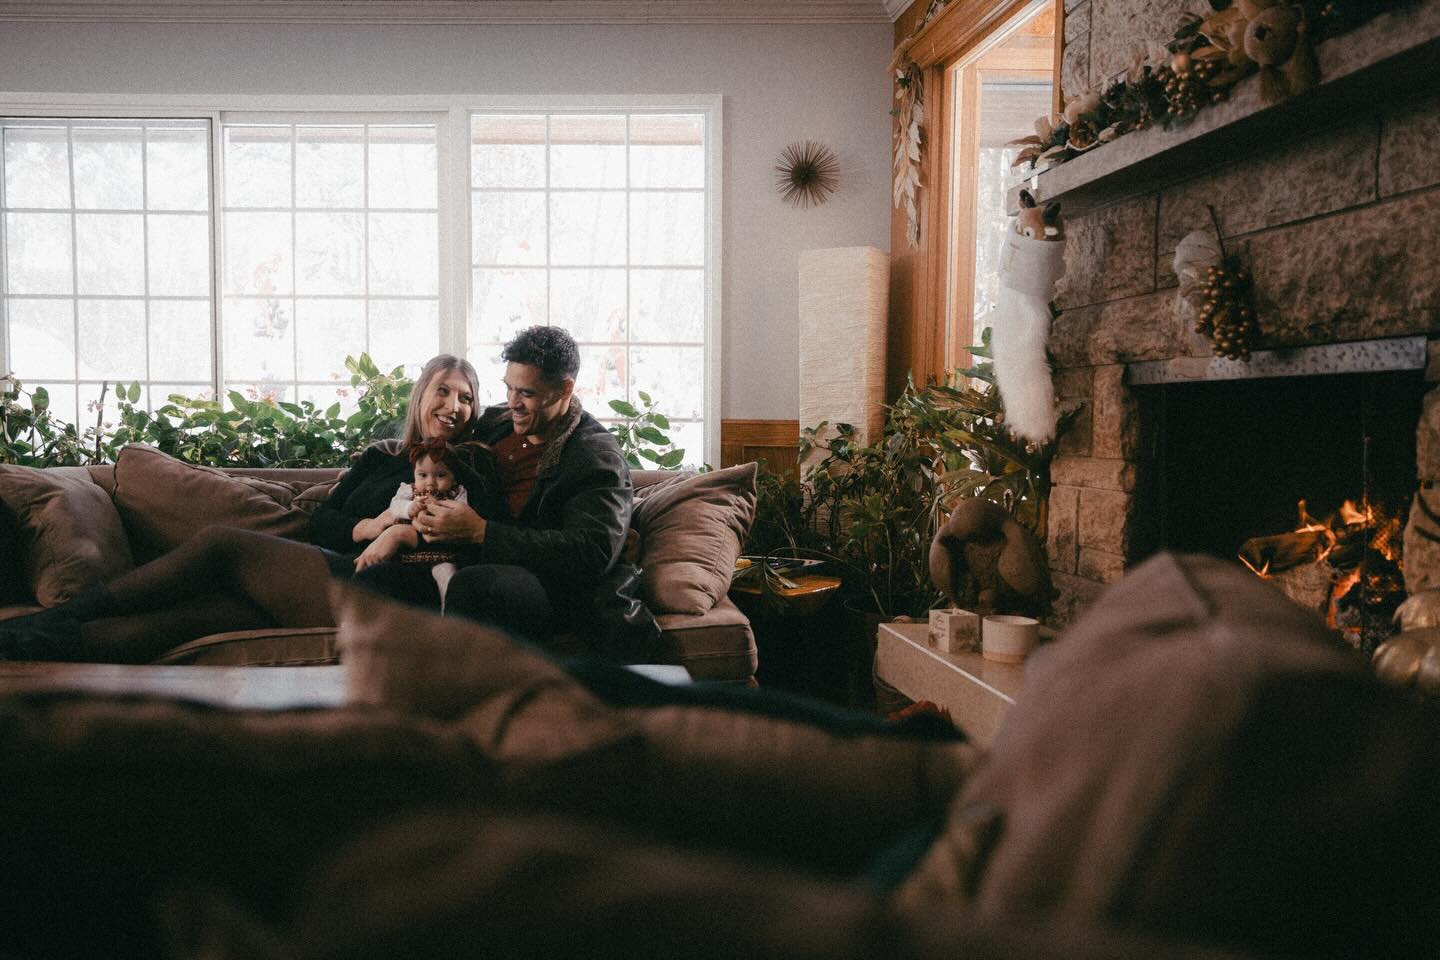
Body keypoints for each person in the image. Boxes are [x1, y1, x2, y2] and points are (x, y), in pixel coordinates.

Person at [0, 354, 495, 663]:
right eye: (444, 391)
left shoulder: (474, 467)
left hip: (393, 585)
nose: (455, 406)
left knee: (223, 545)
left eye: (467, 398)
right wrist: (373, 524)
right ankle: (25, 641)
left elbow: (466, 541)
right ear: (421, 397)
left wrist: (397, 533)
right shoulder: (381, 458)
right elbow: (324, 520)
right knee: (202, 617)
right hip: (334, 566)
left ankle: (51, 620)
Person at [377, 325, 641, 648]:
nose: (512, 403)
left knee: (473, 584)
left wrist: (481, 532)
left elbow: (592, 552)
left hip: (544, 586)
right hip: (463, 559)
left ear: (564, 389)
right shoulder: (496, 425)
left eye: (526, 394)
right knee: (384, 575)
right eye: (509, 389)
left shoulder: (594, 456)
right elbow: (438, 463)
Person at [366, 437, 473, 611]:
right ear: (414, 474)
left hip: (441, 551)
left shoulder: (457, 493)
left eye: (440, 475)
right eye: (423, 475)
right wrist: (410, 507)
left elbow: (461, 514)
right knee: (383, 574)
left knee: (448, 578)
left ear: (454, 478)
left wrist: (437, 505)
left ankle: (449, 615)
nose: (430, 482)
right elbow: (395, 507)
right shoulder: (409, 490)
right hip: (405, 551)